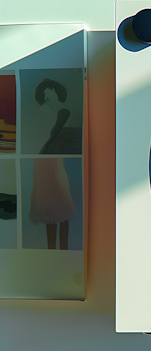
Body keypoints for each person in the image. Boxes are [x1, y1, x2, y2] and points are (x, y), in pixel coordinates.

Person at [29, 78, 76, 250]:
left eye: (51, 96)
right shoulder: (60, 114)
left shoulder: (64, 113)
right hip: (46, 164)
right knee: (54, 208)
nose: (49, 102)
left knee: (58, 207)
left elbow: (54, 142)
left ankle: (58, 250)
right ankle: (58, 250)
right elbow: (51, 142)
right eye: (46, 99)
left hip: (49, 164)